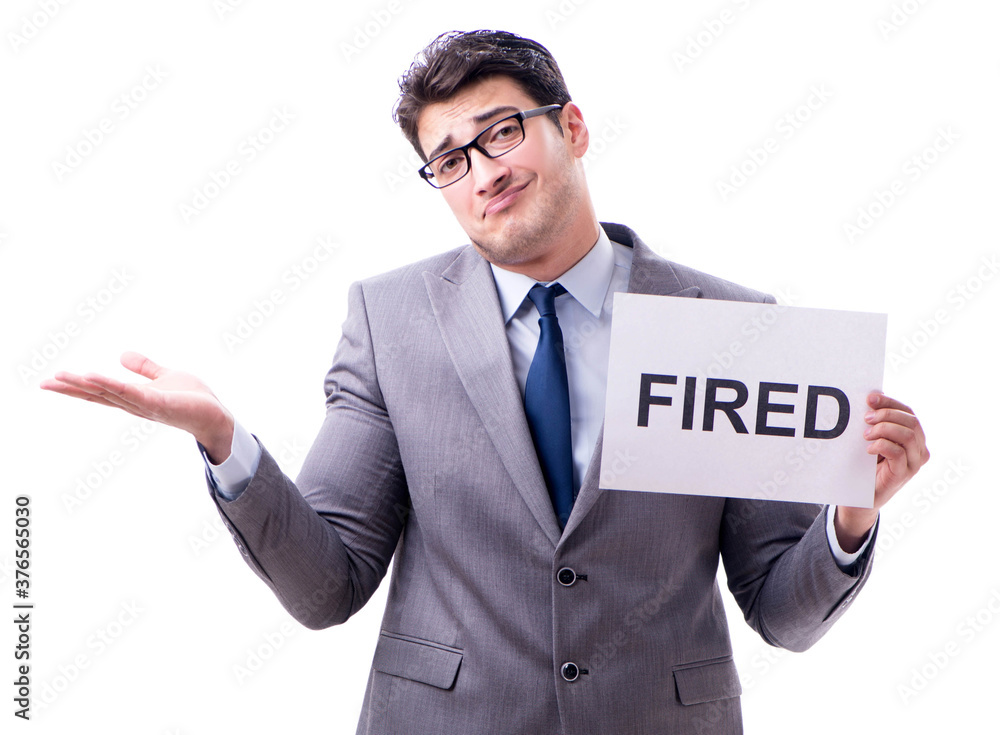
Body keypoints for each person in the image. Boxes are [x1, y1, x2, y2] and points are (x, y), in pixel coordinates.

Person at [41, 30, 928, 734]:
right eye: (451, 160)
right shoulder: (390, 322)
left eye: (502, 132)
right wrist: (225, 441)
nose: (486, 172)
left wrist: (851, 514)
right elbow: (326, 586)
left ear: (572, 128)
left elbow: (783, 612)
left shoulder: (732, 327)